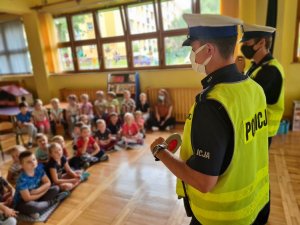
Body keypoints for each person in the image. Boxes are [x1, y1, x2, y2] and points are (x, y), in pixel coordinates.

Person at [150, 14, 269, 225]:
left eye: (193, 48)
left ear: (208, 50)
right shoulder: (254, 88)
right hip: (255, 207)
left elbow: (203, 181)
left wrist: (161, 152)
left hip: (222, 218)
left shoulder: (211, 104)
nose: (191, 55)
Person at [237, 24, 285, 147]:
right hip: (252, 127)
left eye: (247, 43)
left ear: (262, 43)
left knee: (257, 165)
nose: (244, 47)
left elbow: (249, 97)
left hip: (262, 129)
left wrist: (238, 73)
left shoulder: (270, 70)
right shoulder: (255, 66)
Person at [13, 151, 69, 218]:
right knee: (33, 207)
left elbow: (48, 182)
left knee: (55, 188)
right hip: (23, 202)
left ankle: (39, 207)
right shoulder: (22, 179)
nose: (33, 162)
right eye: (29, 162)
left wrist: (37, 191)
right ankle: (53, 201)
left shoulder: (39, 169)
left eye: (34, 159)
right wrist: (43, 192)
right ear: (22, 165)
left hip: (36, 195)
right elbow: (27, 198)